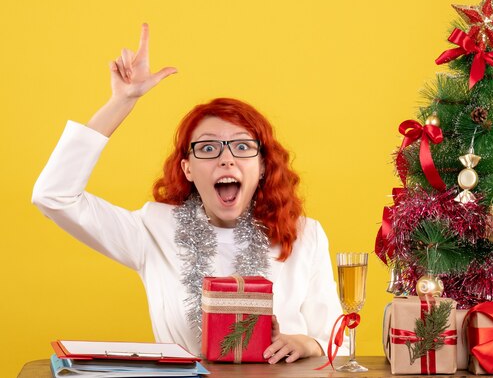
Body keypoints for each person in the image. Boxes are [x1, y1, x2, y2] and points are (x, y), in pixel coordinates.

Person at [32, 23, 346, 363]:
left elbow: (338, 342)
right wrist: (121, 102)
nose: (226, 158)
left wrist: (307, 343)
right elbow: (54, 196)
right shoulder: (154, 230)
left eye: (242, 147)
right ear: (188, 169)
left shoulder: (304, 235)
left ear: (263, 166)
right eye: (208, 148)